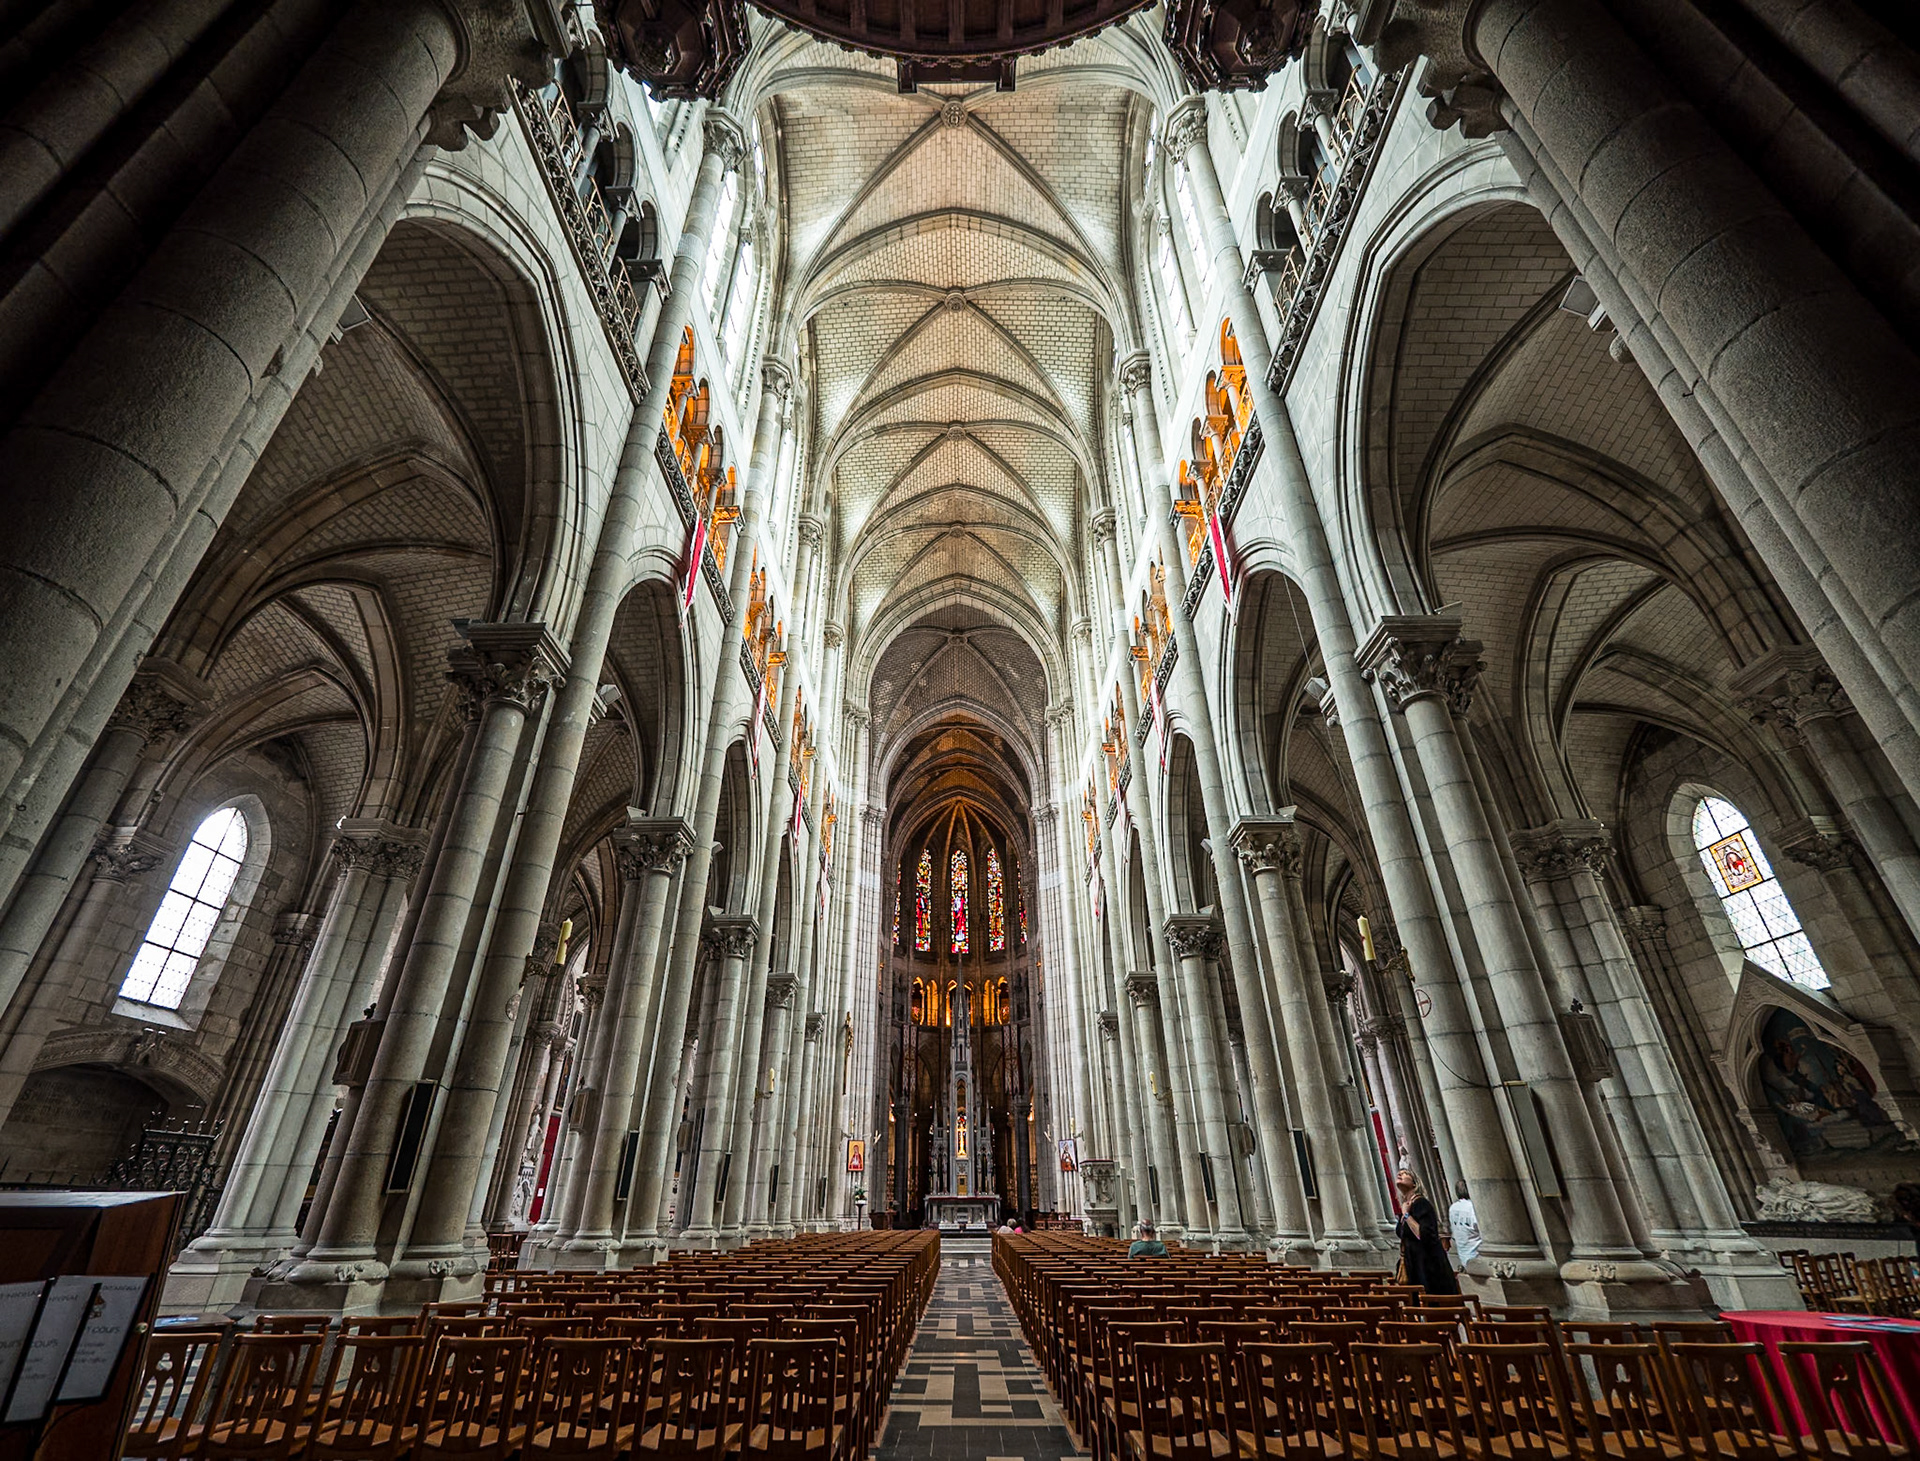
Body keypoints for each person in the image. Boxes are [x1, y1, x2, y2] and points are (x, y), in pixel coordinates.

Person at [1395, 1170, 1460, 1295]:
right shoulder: (1406, 1206)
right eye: (1399, 1173)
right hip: (1414, 1264)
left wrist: (1407, 1215)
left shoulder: (1421, 1204)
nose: (1400, 1174)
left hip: (1428, 1265)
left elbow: (1424, 1235)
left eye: (1405, 1173)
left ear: (1415, 1183)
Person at [1448, 1179, 1481, 1268]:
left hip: (1463, 1255)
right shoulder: (1472, 1206)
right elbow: (1482, 1229)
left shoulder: (1453, 1207)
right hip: (1477, 1254)